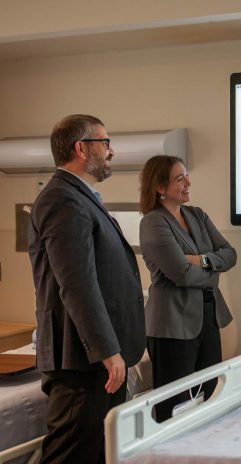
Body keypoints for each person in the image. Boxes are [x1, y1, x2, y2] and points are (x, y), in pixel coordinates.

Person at [28, 114, 146, 463]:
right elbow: (77, 284)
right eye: (104, 143)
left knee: (96, 451)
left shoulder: (80, 197)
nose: (111, 151)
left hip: (94, 357)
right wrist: (107, 350)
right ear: (81, 148)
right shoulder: (62, 199)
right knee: (72, 454)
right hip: (81, 359)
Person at [138, 155, 237, 421]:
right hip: (172, 324)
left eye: (186, 175)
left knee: (210, 393)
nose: (188, 182)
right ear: (160, 187)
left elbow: (230, 254)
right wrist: (214, 274)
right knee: (174, 404)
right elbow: (180, 275)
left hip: (207, 316)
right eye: (180, 178)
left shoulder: (197, 215)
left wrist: (203, 260)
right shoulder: (153, 222)